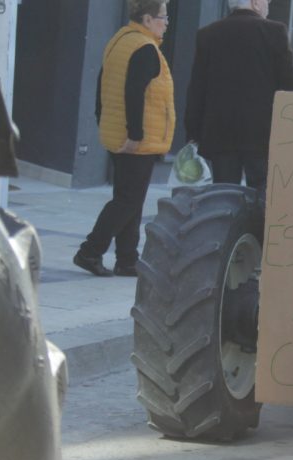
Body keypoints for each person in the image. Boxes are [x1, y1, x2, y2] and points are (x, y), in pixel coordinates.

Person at [74, 0, 173, 277]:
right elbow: (134, 93)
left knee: (130, 198)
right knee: (128, 200)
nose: (166, 23)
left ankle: (127, 259)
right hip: (136, 140)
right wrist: (135, 135)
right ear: (147, 19)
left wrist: (102, 119)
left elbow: (102, 83)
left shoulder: (119, 40)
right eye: (163, 17)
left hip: (116, 132)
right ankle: (90, 251)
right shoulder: (145, 48)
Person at [184, 0, 293, 192]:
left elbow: (197, 88)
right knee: (262, 194)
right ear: (256, 3)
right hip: (262, 134)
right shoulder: (274, 31)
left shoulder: (208, 34)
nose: (268, 5)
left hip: (220, 133)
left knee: (224, 195)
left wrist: (192, 131)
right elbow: (290, 85)